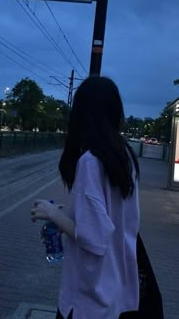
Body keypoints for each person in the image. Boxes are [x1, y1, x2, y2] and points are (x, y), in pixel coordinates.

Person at [31, 76, 140, 319]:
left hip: (87, 298)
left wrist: (54, 215)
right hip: (116, 292)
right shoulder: (125, 157)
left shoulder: (91, 162)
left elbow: (94, 237)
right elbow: (109, 222)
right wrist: (64, 222)